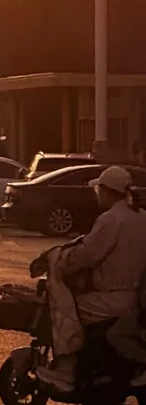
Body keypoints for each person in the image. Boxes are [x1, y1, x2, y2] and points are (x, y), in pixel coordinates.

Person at [36, 166, 146, 392]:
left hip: (111, 299)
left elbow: (87, 254)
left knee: (64, 308)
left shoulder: (111, 219)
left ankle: (66, 368)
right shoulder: (141, 216)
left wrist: (61, 261)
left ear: (107, 191)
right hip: (137, 297)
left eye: (99, 189)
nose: (96, 193)